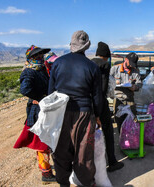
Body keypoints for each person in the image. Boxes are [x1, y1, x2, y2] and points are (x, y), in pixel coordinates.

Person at [48, 30, 102, 187]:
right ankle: (87, 183)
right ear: (86, 47)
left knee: (61, 150)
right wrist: (97, 115)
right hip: (84, 114)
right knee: (84, 152)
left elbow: (51, 92)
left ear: (71, 44)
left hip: (61, 113)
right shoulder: (92, 67)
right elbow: (97, 96)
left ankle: (63, 183)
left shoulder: (58, 63)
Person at [13, 45, 56, 184]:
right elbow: (25, 89)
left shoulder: (42, 69)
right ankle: (46, 173)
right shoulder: (29, 72)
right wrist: (38, 97)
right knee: (41, 142)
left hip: (46, 108)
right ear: (30, 58)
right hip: (38, 111)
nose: (40, 58)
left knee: (48, 138)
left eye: (41, 55)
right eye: (36, 56)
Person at [91, 42, 124, 172]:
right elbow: (103, 88)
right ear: (106, 55)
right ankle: (112, 162)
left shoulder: (89, 63)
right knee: (108, 132)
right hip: (100, 103)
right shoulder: (104, 64)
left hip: (88, 103)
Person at [110, 52, 141, 133]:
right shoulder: (114, 69)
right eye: (130, 63)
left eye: (133, 64)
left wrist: (135, 87)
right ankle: (121, 139)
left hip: (130, 100)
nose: (131, 66)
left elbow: (139, 84)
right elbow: (107, 82)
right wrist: (113, 83)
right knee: (119, 120)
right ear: (126, 60)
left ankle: (130, 140)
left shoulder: (135, 71)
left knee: (132, 120)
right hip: (118, 99)